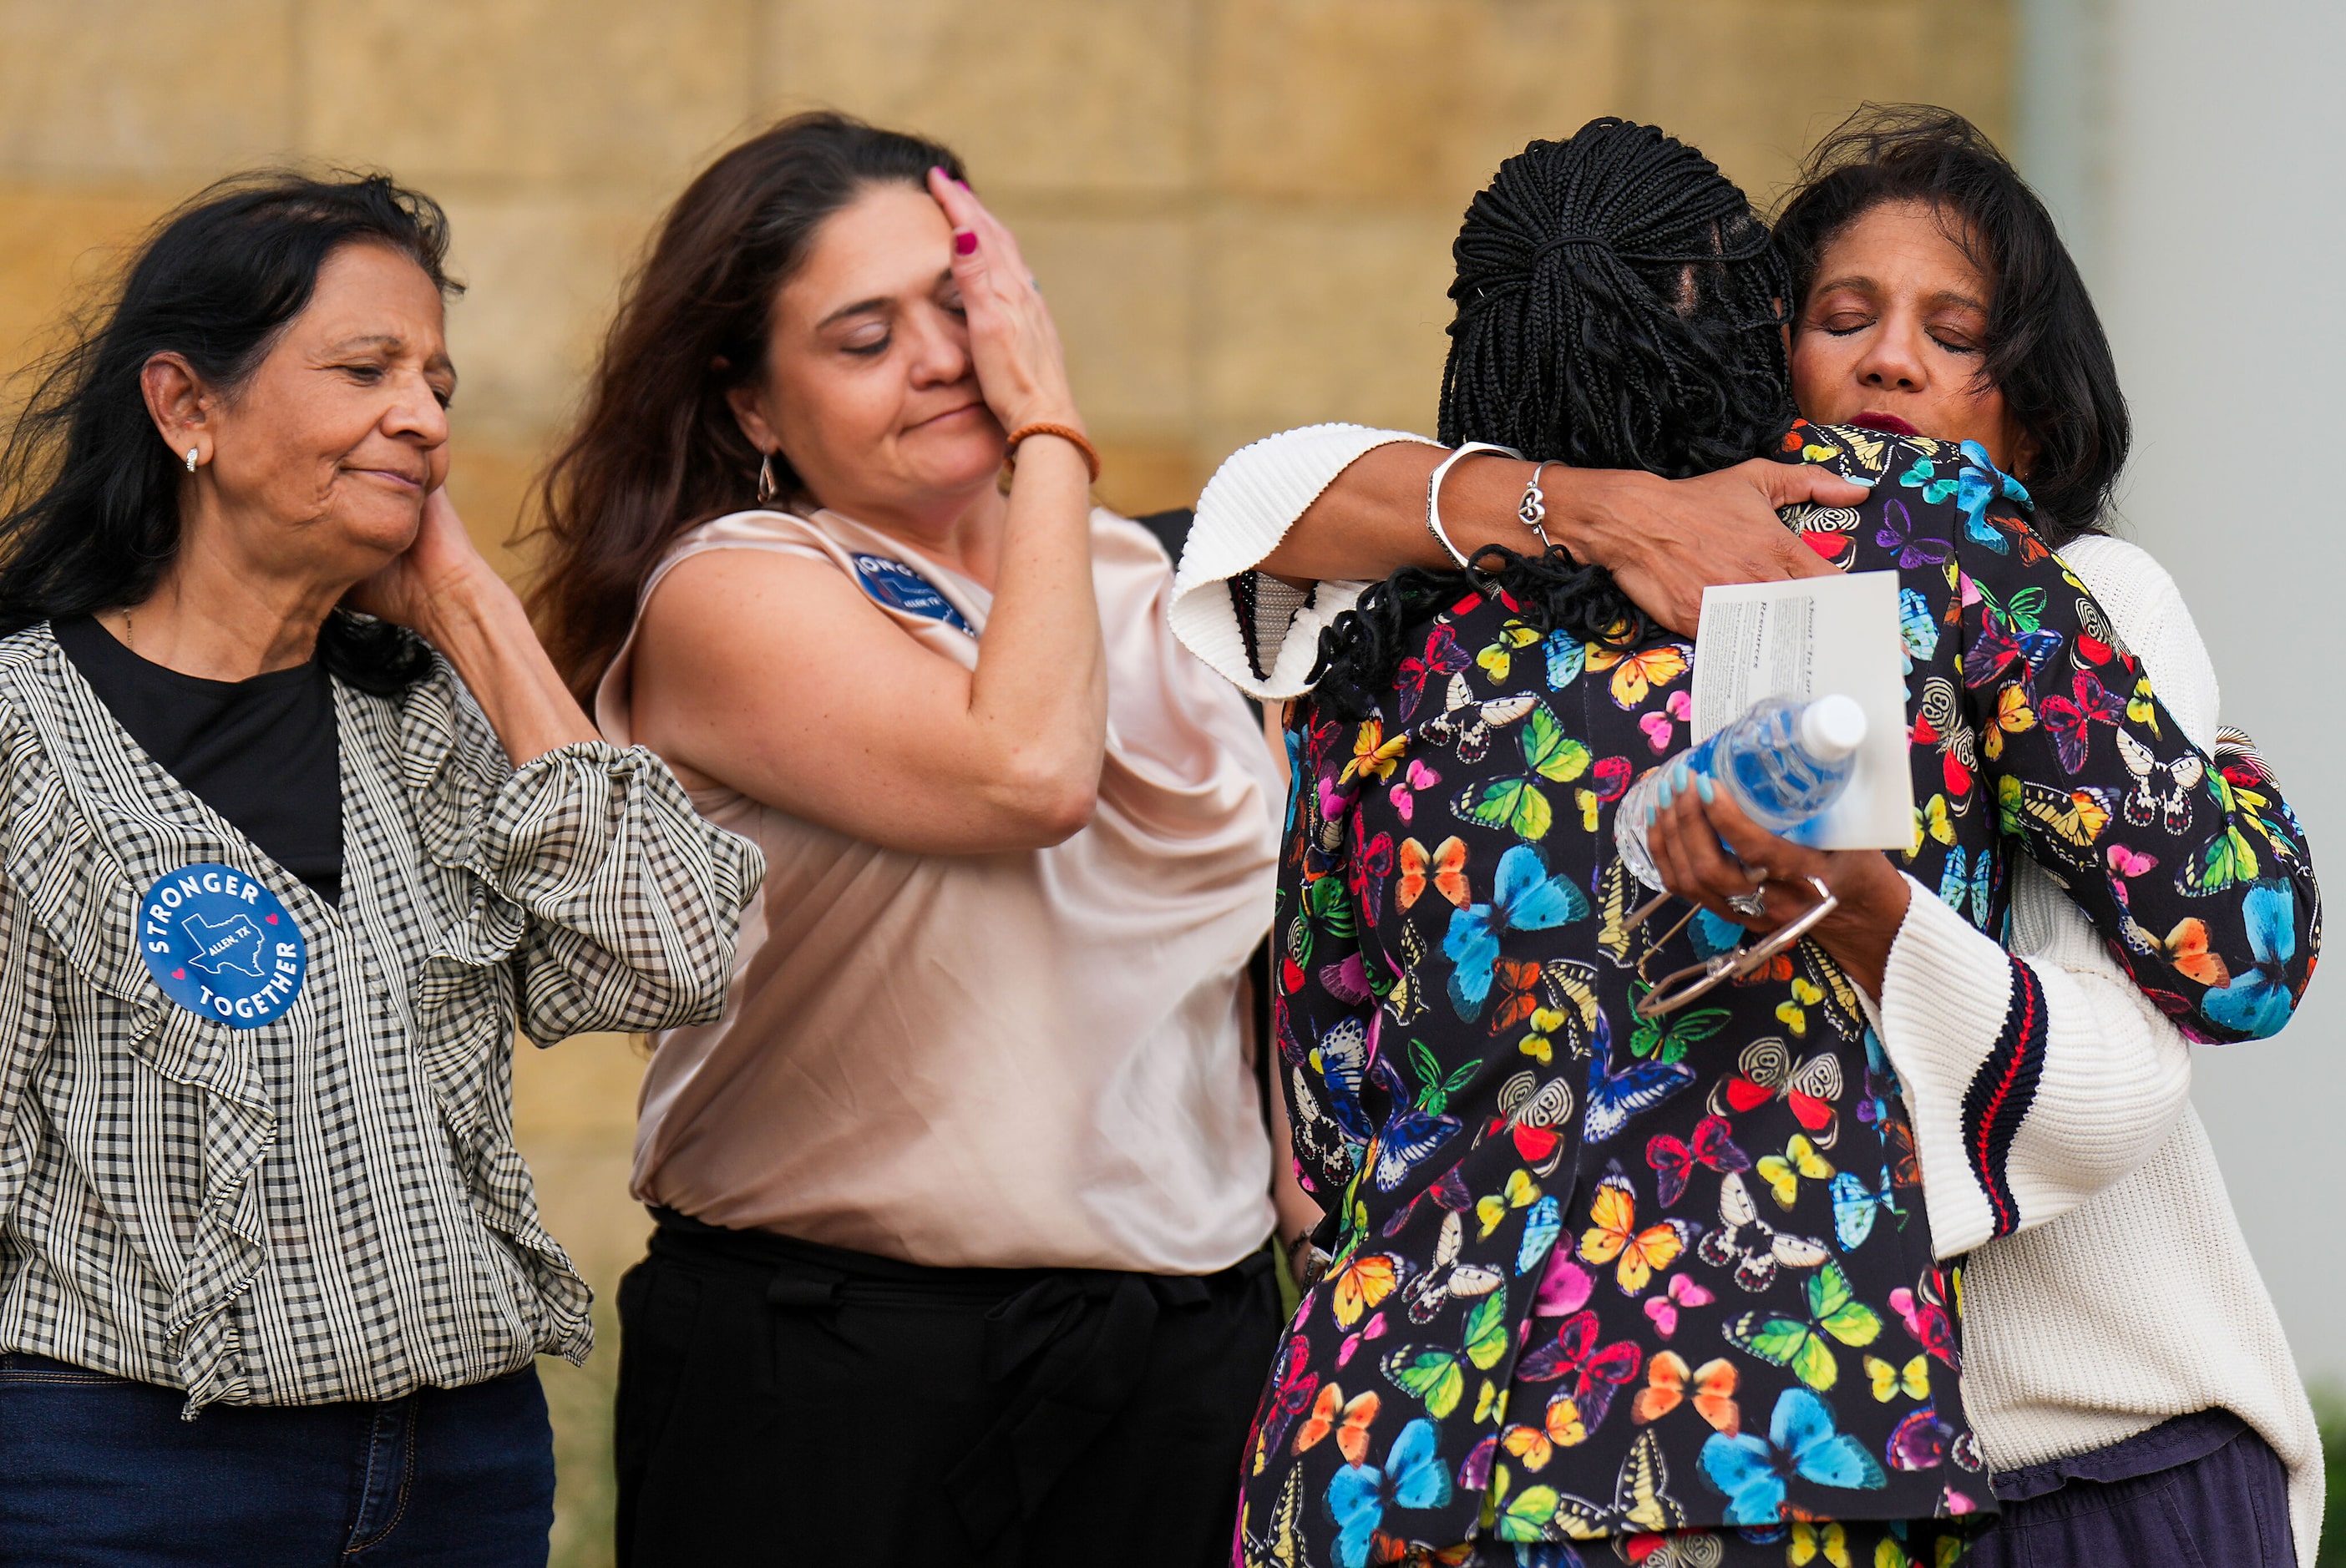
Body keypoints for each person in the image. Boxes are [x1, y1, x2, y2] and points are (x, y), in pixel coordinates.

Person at [1176, 107, 2324, 1567]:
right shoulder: (1906, 520)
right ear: (1749, 324)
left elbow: (1334, 1092)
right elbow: (2239, 950)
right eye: (1835, 313)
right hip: (1746, 1431)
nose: (1885, 361)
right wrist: (2232, 779)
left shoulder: (1386, 627)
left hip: (1372, 1453)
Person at [528, 113, 1305, 1566]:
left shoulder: (1143, 577)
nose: (943, 358)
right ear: (754, 408)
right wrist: (1055, 431)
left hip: (1182, 1354)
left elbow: (1239, 944)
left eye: (957, 301)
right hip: (840, 1368)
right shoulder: (739, 587)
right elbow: (1023, 773)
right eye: (862, 336)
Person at [0, 173, 759, 1566]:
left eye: (437, 382)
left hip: (459, 1471)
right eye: (366, 370)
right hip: (127, 1478)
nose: (422, 415)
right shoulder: (23, 734)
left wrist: (473, 609)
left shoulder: (420, 720)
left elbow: (673, 953)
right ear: (187, 408)